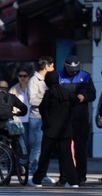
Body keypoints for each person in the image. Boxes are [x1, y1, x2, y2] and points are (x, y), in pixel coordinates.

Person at [31, 71, 80, 188]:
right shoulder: (66, 93)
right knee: (67, 156)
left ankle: (37, 180)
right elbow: (76, 101)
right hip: (65, 130)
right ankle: (73, 182)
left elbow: (43, 109)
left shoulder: (48, 94)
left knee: (45, 156)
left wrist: (47, 122)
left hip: (51, 130)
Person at [58, 55, 97, 185]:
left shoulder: (85, 76)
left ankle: (81, 176)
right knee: (64, 149)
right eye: (71, 69)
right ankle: (64, 176)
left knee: (80, 149)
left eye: (75, 69)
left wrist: (84, 97)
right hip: (64, 118)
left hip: (81, 118)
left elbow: (92, 95)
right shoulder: (59, 77)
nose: (73, 72)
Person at [27, 56, 54, 184]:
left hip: (47, 117)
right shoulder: (34, 80)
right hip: (37, 117)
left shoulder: (48, 80)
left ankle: (42, 173)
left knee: (45, 148)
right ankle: (33, 174)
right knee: (36, 147)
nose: (53, 68)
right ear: (46, 66)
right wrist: (46, 101)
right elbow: (32, 100)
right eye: (52, 66)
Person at [9, 68, 31, 134]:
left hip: (31, 120)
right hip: (19, 121)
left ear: (29, 77)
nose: (22, 78)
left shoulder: (32, 88)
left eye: (25, 76)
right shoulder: (13, 89)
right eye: (20, 76)